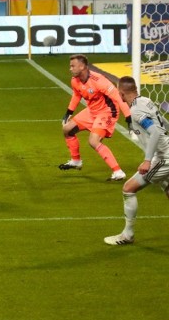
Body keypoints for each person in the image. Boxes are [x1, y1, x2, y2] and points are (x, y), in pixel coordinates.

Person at [103, 76, 169, 245]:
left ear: (121, 93)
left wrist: (147, 161)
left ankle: (127, 235)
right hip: (164, 153)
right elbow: (163, 122)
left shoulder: (136, 111)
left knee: (128, 189)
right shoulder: (145, 100)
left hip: (163, 157)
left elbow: (154, 132)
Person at [59, 54, 131, 180]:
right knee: (67, 129)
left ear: (82, 67)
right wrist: (68, 112)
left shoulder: (99, 81)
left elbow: (118, 98)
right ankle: (76, 161)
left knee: (93, 141)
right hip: (91, 111)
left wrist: (128, 116)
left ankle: (118, 171)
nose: (70, 68)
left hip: (107, 112)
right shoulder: (75, 80)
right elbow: (77, 95)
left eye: (72, 66)